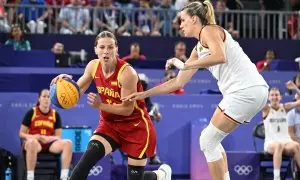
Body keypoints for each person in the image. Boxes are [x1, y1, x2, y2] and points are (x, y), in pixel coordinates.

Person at [121, 1, 269, 180]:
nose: (180, 25)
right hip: (252, 92)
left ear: (194, 19)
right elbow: (177, 83)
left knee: (207, 140)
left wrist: (185, 64)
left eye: (182, 20)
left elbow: (219, 56)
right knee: (212, 140)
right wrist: (143, 94)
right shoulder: (197, 49)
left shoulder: (209, 30)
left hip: (245, 90)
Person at [51, 31, 172, 180]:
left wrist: (100, 105)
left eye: (110, 47)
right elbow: (75, 93)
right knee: (84, 164)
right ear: (95, 49)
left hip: (135, 127)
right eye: (102, 47)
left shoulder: (127, 73)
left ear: (116, 49)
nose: (106, 51)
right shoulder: (92, 67)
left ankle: (159, 175)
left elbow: (127, 110)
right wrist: (63, 85)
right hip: (109, 125)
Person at [19, 89, 73, 180]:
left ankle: (64, 176)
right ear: (39, 99)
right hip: (35, 143)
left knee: (68, 143)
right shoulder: (32, 112)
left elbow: (58, 136)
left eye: (49, 97)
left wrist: (48, 139)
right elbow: (21, 133)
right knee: (32, 142)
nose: (46, 99)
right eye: (44, 96)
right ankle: (30, 176)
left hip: (49, 143)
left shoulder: (55, 114)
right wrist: (35, 137)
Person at [262, 88, 300, 180]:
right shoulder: (266, 108)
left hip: (286, 141)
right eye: (272, 95)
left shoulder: (285, 107)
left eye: (276, 95)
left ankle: (298, 175)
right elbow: (256, 102)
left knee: (296, 145)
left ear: (280, 97)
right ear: (268, 97)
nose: (274, 97)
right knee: (278, 145)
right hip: (271, 142)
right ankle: (276, 177)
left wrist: (295, 88)